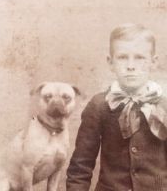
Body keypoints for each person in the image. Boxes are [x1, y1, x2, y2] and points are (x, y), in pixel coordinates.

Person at [66, 23, 167, 191]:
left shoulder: (164, 105)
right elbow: (80, 167)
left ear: (153, 62)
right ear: (110, 62)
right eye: (122, 57)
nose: (130, 66)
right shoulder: (99, 105)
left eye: (140, 58)